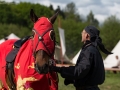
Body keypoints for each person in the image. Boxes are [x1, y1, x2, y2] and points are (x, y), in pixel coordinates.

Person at [52, 25, 112, 90]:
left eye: (83, 32)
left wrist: (57, 69)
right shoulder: (93, 49)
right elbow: (88, 72)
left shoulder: (89, 50)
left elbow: (80, 70)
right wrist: (73, 79)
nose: (81, 34)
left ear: (87, 35)